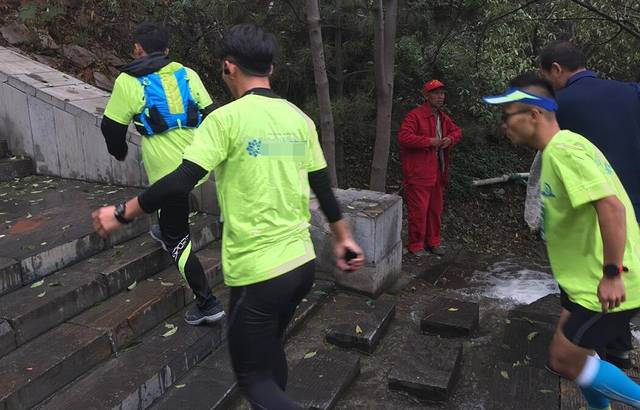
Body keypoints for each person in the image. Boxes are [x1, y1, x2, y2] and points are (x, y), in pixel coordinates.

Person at [92, 24, 365, 410]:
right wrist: (344, 239)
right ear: (270, 68)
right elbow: (322, 187)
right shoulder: (299, 120)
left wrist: (123, 213)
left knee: (254, 380)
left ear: (228, 66)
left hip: (259, 273)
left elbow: (180, 181)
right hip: (300, 265)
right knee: (269, 354)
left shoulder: (225, 121)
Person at [484, 73, 640, 410]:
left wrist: (612, 273)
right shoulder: (565, 145)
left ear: (534, 114)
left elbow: (612, 208)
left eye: (507, 115)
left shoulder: (563, 151)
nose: (503, 125)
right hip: (582, 281)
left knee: (562, 358)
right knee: (581, 356)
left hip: (607, 281)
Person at [100, 21, 224, 326]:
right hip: (197, 163)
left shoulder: (128, 81)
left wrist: (119, 151)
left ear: (137, 49)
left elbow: (111, 127)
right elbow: (213, 116)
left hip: (168, 174)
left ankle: (207, 303)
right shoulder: (187, 73)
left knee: (177, 237)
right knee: (172, 206)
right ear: (167, 50)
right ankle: (162, 226)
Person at [539, 40, 640, 224]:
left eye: (544, 77)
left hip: (597, 218)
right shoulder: (632, 92)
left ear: (556, 69)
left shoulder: (554, 106)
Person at [398, 79, 462, 257]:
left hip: (438, 173)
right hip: (419, 173)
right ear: (427, 96)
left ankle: (433, 242)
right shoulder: (415, 116)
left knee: (435, 210)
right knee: (418, 211)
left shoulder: (442, 117)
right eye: (436, 93)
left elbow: (457, 131)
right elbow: (404, 137)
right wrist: (428, 141)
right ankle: (416, 245)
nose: (440, 97)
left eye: (442, 94)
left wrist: (450, 139)